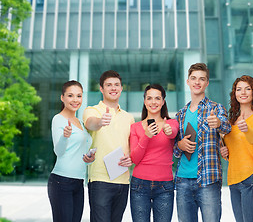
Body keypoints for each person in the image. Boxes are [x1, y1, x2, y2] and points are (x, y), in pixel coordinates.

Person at [173, 63, 231, 222]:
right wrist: (180, 145)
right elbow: (174, 150)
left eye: (201, 79)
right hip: (183, 181)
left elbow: (227, 128)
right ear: (188, 82)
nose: (197, 82)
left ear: (207, 83)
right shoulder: (180, 115)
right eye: (193, 78)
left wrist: (218, 123)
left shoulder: (216, 108)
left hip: (208, 180)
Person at [83, 70, 134, 222]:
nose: (113, 88)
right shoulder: (92, 110)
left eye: (116, 85)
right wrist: (100, 121)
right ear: (101, 89)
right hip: (100, 181)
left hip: (123, 182)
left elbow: (132, 147)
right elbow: (90, 123)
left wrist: (131, 158)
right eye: (109, 85)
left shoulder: (129, 118)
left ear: (121, 88)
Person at [129, 84, 179, 222]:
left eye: (157, 98)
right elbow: (135, 159)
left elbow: (173, 131)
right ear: (145, 101)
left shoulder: (172, 123)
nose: (153, 102)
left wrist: (168, 130)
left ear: (163, 102)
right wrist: (146, 136)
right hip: (139, 185)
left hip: (165, 186)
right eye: (149, 98)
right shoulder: (135, 127)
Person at [48, 80, 95, 222]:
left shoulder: (80, 122)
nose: (75, 100)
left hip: (79, 182)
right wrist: (65, 136)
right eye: (70, 95)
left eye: (79, 96)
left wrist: (89, 159)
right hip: (61, 182)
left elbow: (76, 154)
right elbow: (59, 152)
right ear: (62, 98)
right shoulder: (58, 119)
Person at [221, 75, 253, 222]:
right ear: (235, 93)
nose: (243, 92)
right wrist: (224, 151)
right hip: (233, 180)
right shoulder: (231, 121)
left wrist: (247, 129)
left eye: (248, 89)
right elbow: (233, 150)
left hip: (251, 179)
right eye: (239, 89)